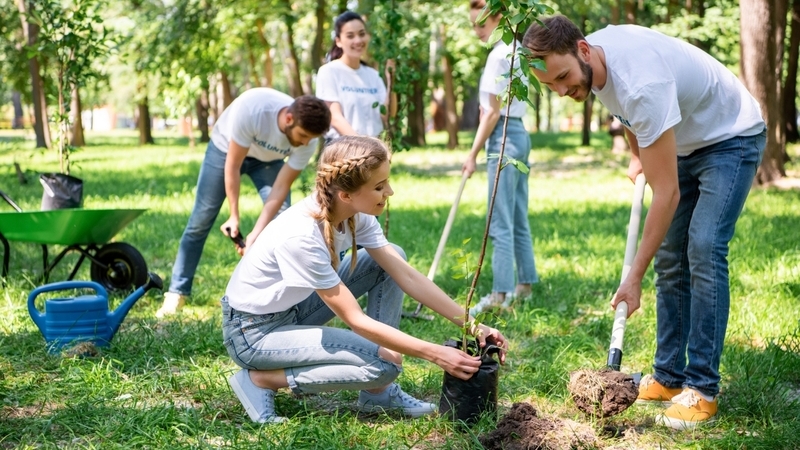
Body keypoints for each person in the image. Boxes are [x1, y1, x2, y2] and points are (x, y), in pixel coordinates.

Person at [523, 16, 766, 430]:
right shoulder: (592, 62)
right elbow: (629, 115)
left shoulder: (640, 81)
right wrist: (638, 153)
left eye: (563, 78)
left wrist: (633, 277)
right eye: (551, 87)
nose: (563, 91)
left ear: (583, 50)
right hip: (685, 141)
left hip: (730, 137)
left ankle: (703, 390)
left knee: (703, 248)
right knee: (671, 256)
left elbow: (666, 192)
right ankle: (670, 378)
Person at [221, 135, 508, 423]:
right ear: (346, 194)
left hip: (292, 311)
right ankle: (262, 379)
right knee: (386, 363)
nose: (390, 191)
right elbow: (355, 320)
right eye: (379, 186)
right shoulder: (302, 236)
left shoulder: (355, 214)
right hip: (254, 334)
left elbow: (406, 276)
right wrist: (435, 354)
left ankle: (377, 394)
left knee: (391, 257)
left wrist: (473, 325)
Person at [156, 88, 331, 318]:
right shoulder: (254, 109)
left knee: (282, 220)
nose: (306, 143)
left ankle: (276, 299)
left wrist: (256, 234)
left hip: (268, 161)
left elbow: (279, 189)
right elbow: (233, 166)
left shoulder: (307, 140)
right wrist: (234, 216)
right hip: (225, 151)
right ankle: (176, 292)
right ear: (289, 119)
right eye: (303, 136)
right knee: (201, 219)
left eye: (310, 139)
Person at [463, 0, 539, 315]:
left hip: (504, 136)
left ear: (497, 18)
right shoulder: (518, 50)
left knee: (500, 219)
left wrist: (472, 154)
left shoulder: (497, 56)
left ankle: (500, 294)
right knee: (517, 213)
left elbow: (492, 112)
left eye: (480, 24)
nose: (477, 32)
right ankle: (525, 284)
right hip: (521, 134)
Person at [315, 11, 395, 139]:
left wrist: (392, 80)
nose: (358, 40)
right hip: (342, 147)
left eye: (362, 34)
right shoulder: (329, 71)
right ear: (338, 41)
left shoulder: (374, 75)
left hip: (374, 148)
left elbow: (388, 115)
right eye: (350, 36)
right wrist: (362, 145)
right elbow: (335, 117)